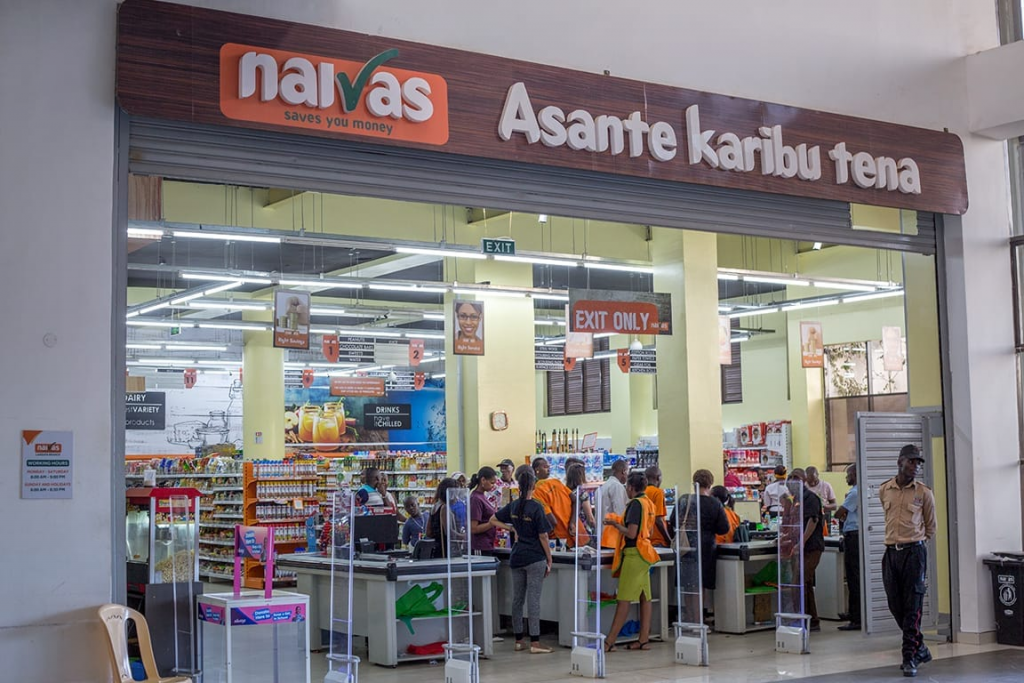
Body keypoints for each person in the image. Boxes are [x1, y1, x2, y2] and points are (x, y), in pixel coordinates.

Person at [879, 444, 936, 678]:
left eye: (918, 463)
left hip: (914, 553)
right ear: (900, 462)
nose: (915, 466)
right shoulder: (885, 490)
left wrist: (916, 544)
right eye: (911, 461)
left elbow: (930, 527)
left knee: (913, 607)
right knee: (895, 605)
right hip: (891, 552)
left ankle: (909, 657)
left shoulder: (924, 493)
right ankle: (920, 647)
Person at [491, 467, 553, 654]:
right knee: (533, 600)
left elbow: (493, 519)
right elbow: (543, 536)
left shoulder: (513, 506)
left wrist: (511, 529)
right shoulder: (536, 507)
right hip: (535, 558)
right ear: (533, 485)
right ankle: (535, 642)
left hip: (516, 557)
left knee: (517, 599)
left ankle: (519, 640)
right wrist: (549, 559)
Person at [603, 471, 659, 651]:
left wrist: (615, 525)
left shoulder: (635, 504)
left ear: (630, 487)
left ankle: (609, 641)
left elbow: (632, 533)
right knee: (645, 597)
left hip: (635, 553)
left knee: (624, 599)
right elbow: (647, 531)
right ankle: (643, 639)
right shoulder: (648, 503)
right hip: (645, 554)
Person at [671, 470, 730, 620]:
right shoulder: (715, 504)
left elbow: (672, 521)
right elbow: (724, 528)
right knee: (700, 585)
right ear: (710, 484)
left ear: (694, 483)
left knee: (688, 584)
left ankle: (690, 619)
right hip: (706, 548)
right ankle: (699, 621)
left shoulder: (684, 500)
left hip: (686, 547)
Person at [786, 468, 824, 631]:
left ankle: (801, 617)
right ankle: (811, 620)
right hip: (798, 548)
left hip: (811, 548)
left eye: (796, 478)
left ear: (804, 481)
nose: (792, 480)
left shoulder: (810, 498)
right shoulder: (795, 500)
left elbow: (812, 521)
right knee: (805, 584)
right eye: (790, 477)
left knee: (799, 581)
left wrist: (801, 543)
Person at [835, 464, 861, 631]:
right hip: (855, 536)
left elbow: (839, 513)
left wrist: (841, 514)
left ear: (856, 475)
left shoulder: (854, 493)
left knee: (854, 578)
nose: (846, 478)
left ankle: (857, 618)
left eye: (848, 475)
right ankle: (853, 612)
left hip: (854, 537)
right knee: (854, 577)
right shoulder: (859, 491)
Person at [531, 457, 573, 542]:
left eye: (548, 466)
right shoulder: (537, 489)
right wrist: (573, 522)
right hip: (567, 534)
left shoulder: (555, 482)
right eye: (545, 467)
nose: (548, 469)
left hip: (559, 536)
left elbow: (552, 521)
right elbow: (575, 499)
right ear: (536, 470)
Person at [425, 477, 460, 557]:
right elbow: (449, 532)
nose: (456, 498)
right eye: (455, 494)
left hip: (436, 549)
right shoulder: (444, 508)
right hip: (445, 550)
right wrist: (463, 536)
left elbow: (428, 532)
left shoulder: (435, 507)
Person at [469, 467, 500, 552]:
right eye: (492, 483)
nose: (493, 486)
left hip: (488, 544)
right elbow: (473, 528)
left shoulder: (483, 496)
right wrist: (492, 523)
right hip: (479, 546)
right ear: (483, 480)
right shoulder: (475, 499)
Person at [565, 463, 595, 546]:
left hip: (569, 529)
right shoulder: (582, 493)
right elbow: (590, 518)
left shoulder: (566, 492)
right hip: (582, 531)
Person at [644, 466, 673, 547]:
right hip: (657, 540)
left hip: (645, 540)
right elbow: (658, 519)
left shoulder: (641, 492)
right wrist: (669, 540)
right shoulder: (658, 492)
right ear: (657, 478)